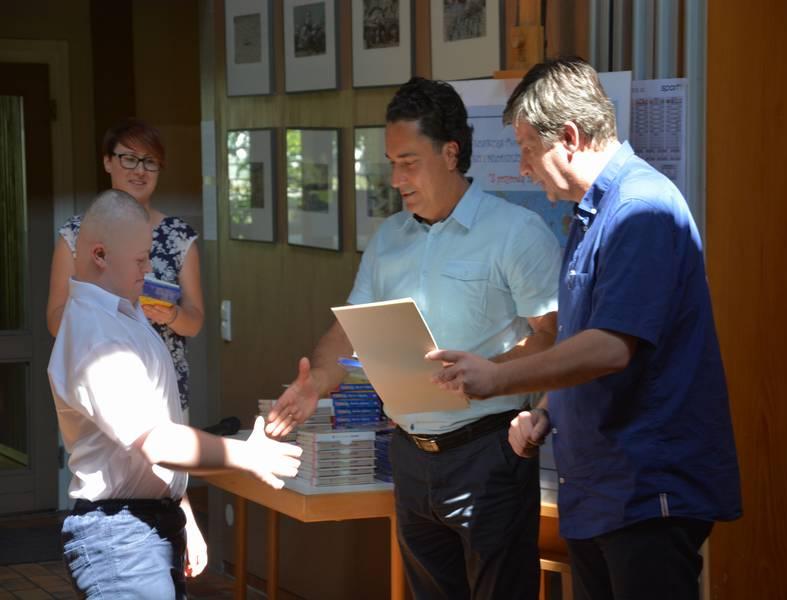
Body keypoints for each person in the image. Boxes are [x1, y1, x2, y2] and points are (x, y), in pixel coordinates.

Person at [427, 57, 742, 600]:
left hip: (646, 492)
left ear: (569, 138)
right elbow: (582, 341)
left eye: (528, 149)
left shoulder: (640, 209)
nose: (523, 168)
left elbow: (611, 347)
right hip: (600, 492)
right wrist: (546, 411)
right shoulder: (592, 213)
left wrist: (498, 378)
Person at [266, 77, 562, 599]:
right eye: (391, 163)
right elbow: (348, 330)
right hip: (409, 457)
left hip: (488, 453)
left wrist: (491, 374)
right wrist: (317, 383)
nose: (396, 179)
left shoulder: (516, 232)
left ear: (450, 153)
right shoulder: (389, 238)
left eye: (408, 162)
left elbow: (553, 338)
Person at [47, 190, 302, 599]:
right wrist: (246, 455)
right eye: (140, 259)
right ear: (100, 255)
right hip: (120, 537)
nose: (148, 268)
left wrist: (182, 514)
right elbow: (157, 442)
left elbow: (146, 445)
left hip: (145, 525)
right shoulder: (97, 337)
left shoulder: (124, 315)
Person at [47, 118, 203, 419]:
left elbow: (194, 321)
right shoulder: (76, 234)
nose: (140, 170)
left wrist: (170, 314)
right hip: (98, 383)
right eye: (129, 159)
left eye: (150, 161)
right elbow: (55, 321)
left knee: (169, 447)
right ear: (108, 162)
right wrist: (104, 307)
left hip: (164, 389)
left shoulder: (178, 236)